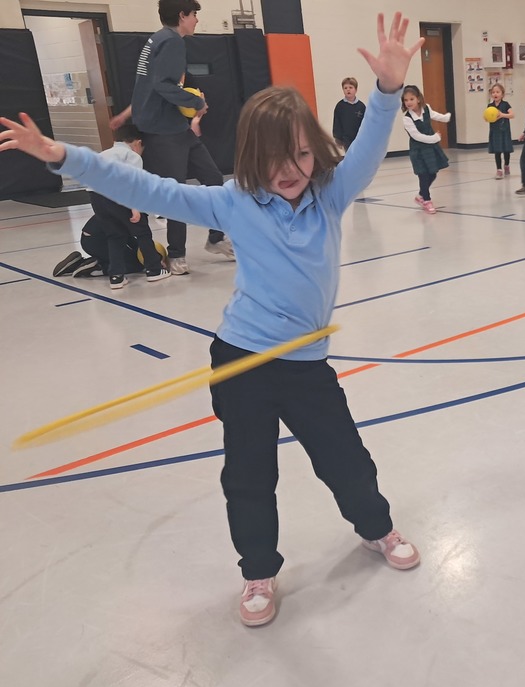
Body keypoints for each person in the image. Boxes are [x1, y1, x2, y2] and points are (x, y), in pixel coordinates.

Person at [2, 11, 424, 627]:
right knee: (248, 474)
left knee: (345, 459)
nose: (290, 169)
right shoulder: (233, 202)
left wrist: (387, 90)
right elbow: (149, 191)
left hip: (306, 366)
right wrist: (64, 156)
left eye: (302, 154)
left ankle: (376, 528)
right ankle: (258, 570)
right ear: (251, 157)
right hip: (241, 360)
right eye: (276, 158)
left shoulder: (329, 195)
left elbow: (365, 150)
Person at [116, 0, 235, 275]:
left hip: (177, 128)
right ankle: (177, 254)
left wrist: (126, 114)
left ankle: (215, 237)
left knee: (213, 179)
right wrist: (196, 103)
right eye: (194, 14)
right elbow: (162, 85)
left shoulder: (156, 40)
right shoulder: (171, 42)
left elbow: (147, 86)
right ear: (182, 15)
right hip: (162, 132)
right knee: (176, 192)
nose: (196, 20)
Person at [64, 123, 171, 288]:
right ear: (137, 143)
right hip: (118, 196)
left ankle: (116, 277)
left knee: (114, 236)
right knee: (142, 233)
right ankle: (154, 270)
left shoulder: (102, 154)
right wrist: (135, 208)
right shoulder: (131, 156)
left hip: (96, 197)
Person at [53, 216, 167, 280]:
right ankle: (97, 268)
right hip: (98, 241)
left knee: (129, 255)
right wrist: (153, 261)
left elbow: (129, 238)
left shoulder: (115, 199)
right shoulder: (133, 209)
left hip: (89, 238)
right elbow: (141, 237)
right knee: (135, 265)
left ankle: (79, 262)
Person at [401, 84, 450, 214]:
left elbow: (435, 115)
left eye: (411, 99)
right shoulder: (407, 118)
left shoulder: (426, 108)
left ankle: (420, 195)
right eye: (406, 100)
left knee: (433, 173)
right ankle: (427, 200)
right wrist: (434, 138)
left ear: (418, 99)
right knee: (423, 175)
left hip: (430, 148)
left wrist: (446, 117)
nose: (408, 102)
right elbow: (417, 136)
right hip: (418, 151)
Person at [487, 83, 514, 179]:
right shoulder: (490, 106)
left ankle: (506, 165)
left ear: (502, 94)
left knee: (506, 150)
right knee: (497, 151)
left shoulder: (506, 104)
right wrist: (487, 118)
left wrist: (502, 115)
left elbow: (512, 115)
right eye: (493, 92)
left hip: (504, 131)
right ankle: (499, 170)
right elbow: (487, 117)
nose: (495, 94)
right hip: (495, 132)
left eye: (497, 92)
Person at [332, 76, 366, 151]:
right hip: (346, 139)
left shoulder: (361, 106)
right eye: (345, 88)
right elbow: (337, 122)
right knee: (350, 155)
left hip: (360, 138)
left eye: (350, 87)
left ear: (356, 90)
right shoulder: (340, 106)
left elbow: (366, 123)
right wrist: (338, 138)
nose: (348, 90)